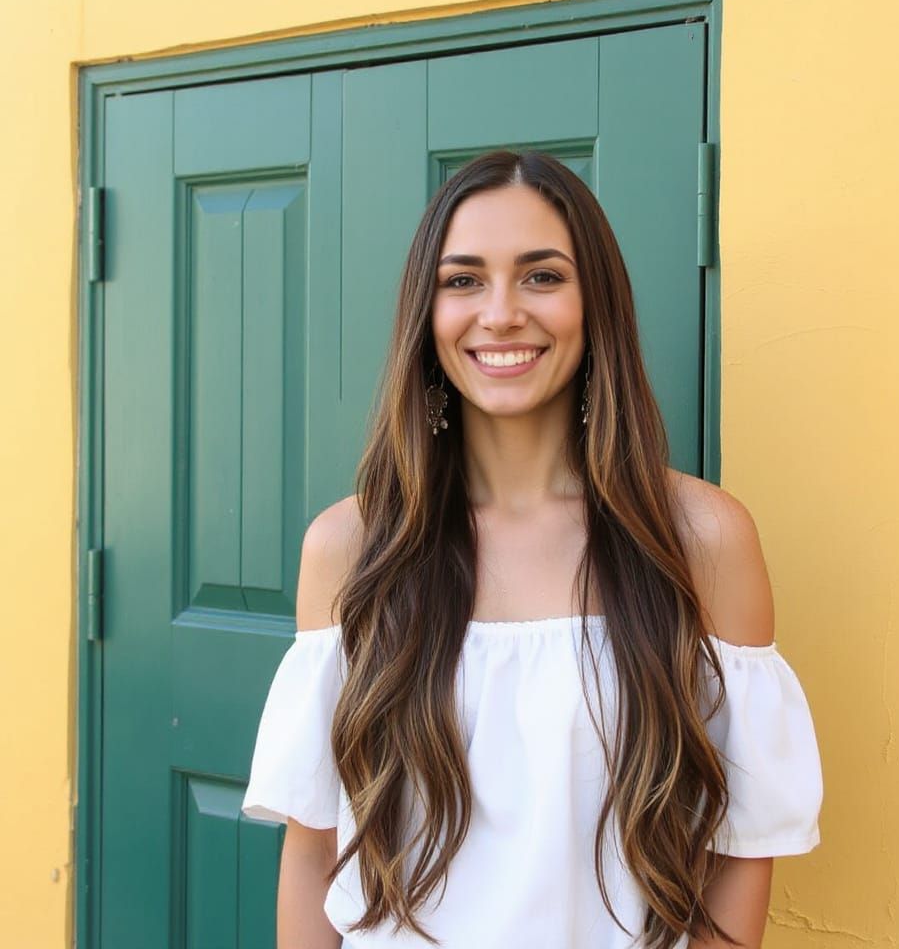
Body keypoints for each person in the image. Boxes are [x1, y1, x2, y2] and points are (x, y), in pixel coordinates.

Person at [241, 149, 823, 948]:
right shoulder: (351, 546)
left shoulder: (701, 538)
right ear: (426, 312)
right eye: (463, 279)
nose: (502, 312)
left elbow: (742, 846)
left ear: (597, 305)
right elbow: (314, 849)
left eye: (542, 276)